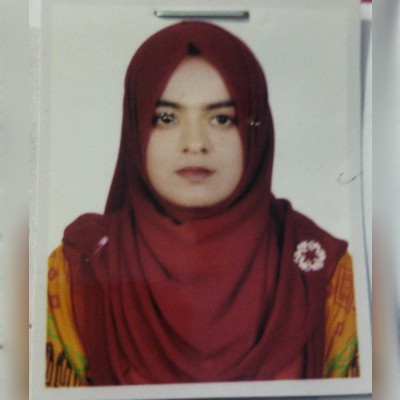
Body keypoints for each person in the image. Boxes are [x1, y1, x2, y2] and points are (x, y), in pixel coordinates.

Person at [46, 21, 359, 387]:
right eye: (166, 118)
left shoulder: (324, 273)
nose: (195, 143)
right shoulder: (78, 270)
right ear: (135, 128)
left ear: (256, 129)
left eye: (222, 119)